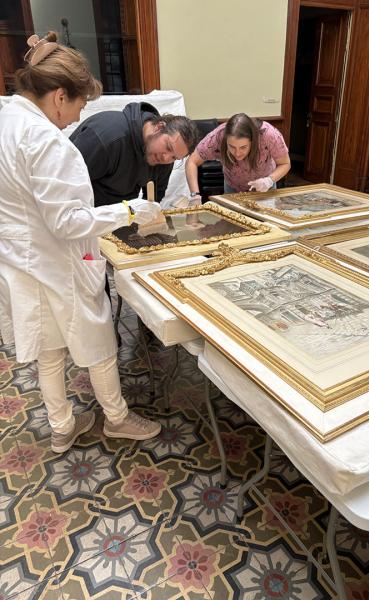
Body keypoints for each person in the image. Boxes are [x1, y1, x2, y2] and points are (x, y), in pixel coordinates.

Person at [0, 32, 163, 453]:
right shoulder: (44, 139)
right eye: (78, 105)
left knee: (49, 349)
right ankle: (117, 418)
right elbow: (67, 222)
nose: (76, 119)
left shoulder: (7, 119)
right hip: (56, 260)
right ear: (59, 96)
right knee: (99, 343)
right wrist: (129, 211)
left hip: (20, 258)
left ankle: (62, 427)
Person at [70, 100, 199, 207]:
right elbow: (67, 185)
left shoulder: (164, 157)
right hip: (82, 212)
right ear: (159, 127)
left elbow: (154, 199)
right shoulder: (108, 137)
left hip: (121, 216)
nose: (166, 158)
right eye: (168, 147)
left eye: (174, 157)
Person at [186, 113, 291, 201]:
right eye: (232, 147)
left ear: (252, 141)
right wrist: (195, 196)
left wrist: (269, 180)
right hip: (232, 187)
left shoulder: (269, 135)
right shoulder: (217, 137)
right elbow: (192, 161)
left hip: (265, 187)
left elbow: (285, 163)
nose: (237, 153)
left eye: (243, 147)